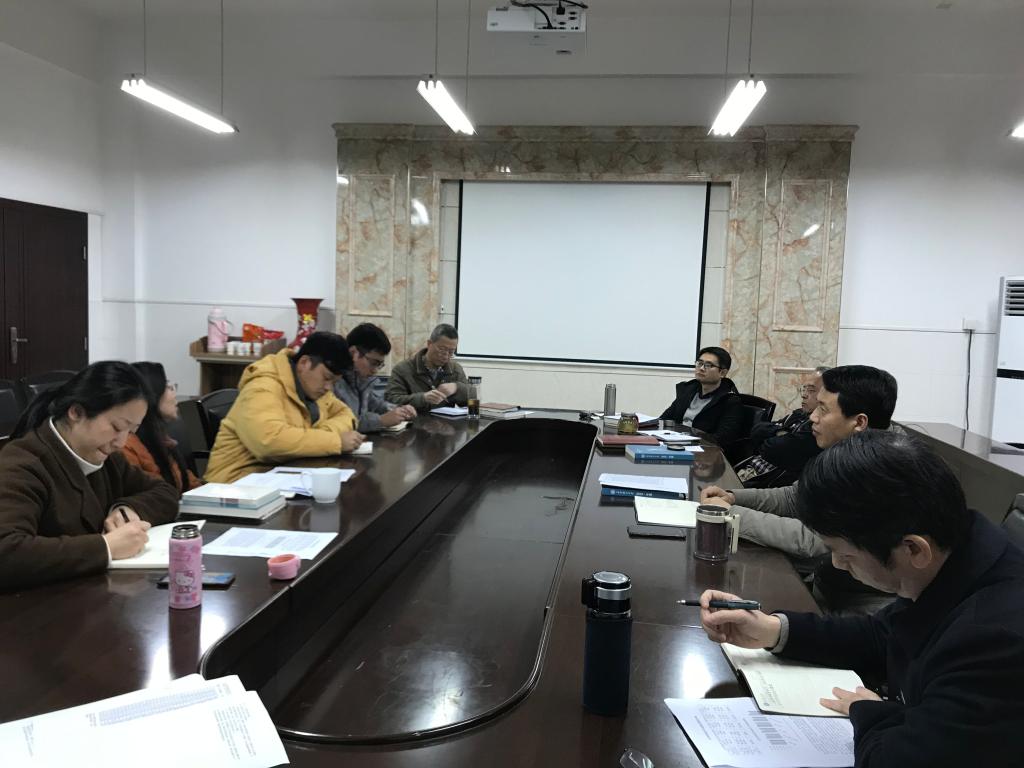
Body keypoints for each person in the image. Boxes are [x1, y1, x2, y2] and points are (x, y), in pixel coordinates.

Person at [698, 430, 1024, 768]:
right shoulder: (954, 556)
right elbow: (883, 635)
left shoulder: (994, 642)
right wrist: (772, 630)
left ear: (913, 549)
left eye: (846, 555)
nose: (837, 564)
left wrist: (869, 710)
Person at [0, 361, 179, 590]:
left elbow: (165, 491)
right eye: (117, 427)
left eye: (131, 432)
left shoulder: (106, 457)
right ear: (76, 412)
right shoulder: (23, 463)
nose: (121, 442)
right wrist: (106, 547)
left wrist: (128, 508)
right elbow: (7, 552)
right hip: (36, 604)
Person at [700, 365, 898, 562]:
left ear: (859, 422)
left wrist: (730, 514)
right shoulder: (844, 449)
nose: (813, 417)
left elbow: (813, 540)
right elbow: (794, 498)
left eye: (823, 409)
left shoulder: (880, 470)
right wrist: (733, 498)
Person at [204, 331, 363, 483]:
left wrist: (321, 434)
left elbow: (346, 414)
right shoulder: (263, 387)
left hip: (280, 477)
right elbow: (268, 442)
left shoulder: (315, 389)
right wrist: (335, 441)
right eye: (327, 378)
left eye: (334, 382)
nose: (329, 387)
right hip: (234, 484)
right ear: (304, 363)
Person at [734, 367, 828, 488]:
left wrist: (772, 436)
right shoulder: (798, 414)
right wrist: (781, 432)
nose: (804, 395)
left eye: (811, 390)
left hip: (764, 483)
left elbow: (770, 450)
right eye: (804, 389)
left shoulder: (817, 427)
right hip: (749, 468)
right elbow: (757, 429)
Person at [121, 362, 202, 493]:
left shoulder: (159, 437)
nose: (174, 393)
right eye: (168, 387)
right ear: (152, 395)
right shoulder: (126, 446)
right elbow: (149, 494)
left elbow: (189, 483)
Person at [334, 323, 417, 432]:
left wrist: (400, 410)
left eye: (379, 365)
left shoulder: (360, 380)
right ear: (354, 353)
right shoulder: (334, 381)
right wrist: (381, 420)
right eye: (373, 363)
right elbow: (346, 423)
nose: (375, 370)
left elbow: (375, 404)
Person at [660, 346, 743, 447]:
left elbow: (723, 438)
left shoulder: (730, 401)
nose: (701, 368)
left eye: (708, 365)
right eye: (699, 363)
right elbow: (664, 420)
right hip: (674, 444)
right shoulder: (687, 391)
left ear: (722, 373)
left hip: (702, 450)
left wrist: (688, 441)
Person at [385, 323, 469, 413]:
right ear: (429, 344)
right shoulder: (402, 369)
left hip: (446, 421)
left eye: (451, 352)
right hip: (414, 420)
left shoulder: (455, 369)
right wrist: (423, 398)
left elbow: (472, 399)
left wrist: (456, 387)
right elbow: (391, 401)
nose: (446, 356)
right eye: (442, 349)